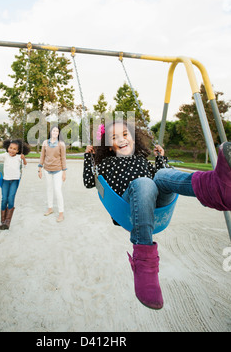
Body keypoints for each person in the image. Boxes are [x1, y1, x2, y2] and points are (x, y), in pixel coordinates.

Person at [83, 120, 231, 310]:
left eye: (125, 134)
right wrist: (89, 157)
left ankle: (216, 188)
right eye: (114, 137)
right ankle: (145, 264)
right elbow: (89, 181)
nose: (121, 139)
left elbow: (165, 180)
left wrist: (161, 159)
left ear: (133, 140)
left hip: (157, 206)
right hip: (128, 208)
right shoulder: (107, 164)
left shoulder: (142, 161)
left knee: (162, 175)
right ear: (109, 147)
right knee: (144, 183)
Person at [0, 139, 30, 230]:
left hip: (15, 180)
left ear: (18, 151)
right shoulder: (5, 155)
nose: (11, 150)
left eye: (14, 149)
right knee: (4, 199)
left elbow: (25, 166)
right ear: (7, 147)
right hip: (5, 180)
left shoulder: (18, 157)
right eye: (10, 148)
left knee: (11, 199)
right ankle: (2, 221)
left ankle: (7, 222)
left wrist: (23, 159)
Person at [38, 126, 67, 223]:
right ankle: (50, 208)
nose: (55, 132)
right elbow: (42, 155)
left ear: (58, 133)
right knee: (49, 189)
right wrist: (39, 169)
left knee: (58, 190)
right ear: (50, 132)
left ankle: (61, 213)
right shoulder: (45, 143)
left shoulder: (61, 144)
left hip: (58, 170)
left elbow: (63, 158)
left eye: (57, 131)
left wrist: (64, 172)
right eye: (53, 130)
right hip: (47, 170)